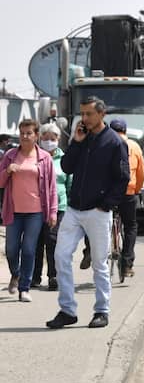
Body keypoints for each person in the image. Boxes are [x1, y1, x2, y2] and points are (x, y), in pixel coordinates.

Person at [46, 96, 129, 330]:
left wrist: (106, 204)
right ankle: (67, 310)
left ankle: (102, 311)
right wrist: (76, 142)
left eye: (89, 114)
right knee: (61, 256)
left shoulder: (114, 142)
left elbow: (122, 178)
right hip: (74, 210)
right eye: (82, 113)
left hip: (98, 212)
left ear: (102, 114)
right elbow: (66, 167)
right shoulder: (81, 139)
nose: (84, 118)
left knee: (99, 263)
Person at [0, 119, 58, 302]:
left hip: (35, 212)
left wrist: (53, 212)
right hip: (13, 211)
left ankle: (24, 288)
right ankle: (16, 274)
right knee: (11, 249)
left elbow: (52, 187)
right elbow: (0, 182)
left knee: (28, 249)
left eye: (29, 133)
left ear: (36, 135)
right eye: (22, 133)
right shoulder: (10, 155)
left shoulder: (45, 158)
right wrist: (7, 171)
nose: (25, 136)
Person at [31, 123, 70, 291]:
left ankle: (53, 276)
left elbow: (70, 184)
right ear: (40, 139)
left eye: (52, 139)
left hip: (58, 206)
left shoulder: (64, 159)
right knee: (36, 241)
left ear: (58, 139)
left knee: (52, 240)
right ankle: (34, 277)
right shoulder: (34, 157)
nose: (49, 142)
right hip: (36, 206)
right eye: (45, 138)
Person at [109, 117, 144, 277]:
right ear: (125, 131)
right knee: (130, 226)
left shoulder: (107, 144)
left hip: (109, 192)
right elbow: (141, 173)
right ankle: (127, 264)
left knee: (100, 223)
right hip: (128, 192)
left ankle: (92, 252)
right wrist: (137, 189)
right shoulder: (134, 147)